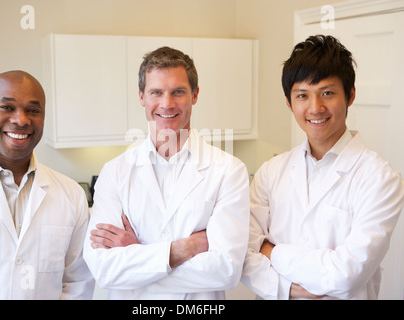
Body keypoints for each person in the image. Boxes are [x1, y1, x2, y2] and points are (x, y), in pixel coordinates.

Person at [241, 35, 404, 300]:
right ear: (289, 102)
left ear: (350, 95)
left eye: (327, 93)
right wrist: (286, 289)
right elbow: (243, 252)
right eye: (302, 95)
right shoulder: (271, 172)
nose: (315, 108)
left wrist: (271, 251)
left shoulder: (381, 179)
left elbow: (347, 274)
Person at [83, 46, 250, 299]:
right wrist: (182, 250)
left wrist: (138, 256)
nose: (166, 103)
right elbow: (104, 270)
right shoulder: (115, 172)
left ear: (194, 94)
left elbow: (225, 271)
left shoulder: (229, 171)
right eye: (156, 92)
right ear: (141, 97)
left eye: (178, 92)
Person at [0, 70, 94, 299]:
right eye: (7, 107)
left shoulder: (71, 194)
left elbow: (77, 281)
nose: (21, 120)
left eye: (33, 110)